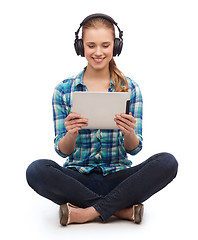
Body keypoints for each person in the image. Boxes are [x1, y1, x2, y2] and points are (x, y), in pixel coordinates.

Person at [26, 13, 178, 226]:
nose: (98, 52)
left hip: (119, 178)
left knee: (168, 162)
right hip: (78, 179)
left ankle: (87, 213)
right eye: (91, 45)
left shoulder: (131, 88)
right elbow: (63, 151)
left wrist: (129, 133)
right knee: (36, 170)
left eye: (105, 45)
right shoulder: (63, 90)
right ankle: (119, 209)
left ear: (116, 46)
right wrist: (71, 133)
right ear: (81, 47)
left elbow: (134, 150)